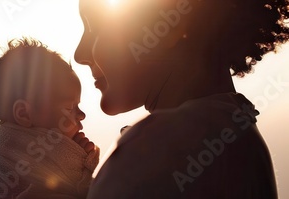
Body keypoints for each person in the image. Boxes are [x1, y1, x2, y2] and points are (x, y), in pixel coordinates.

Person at [74, 0, 288, 198]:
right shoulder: (242, 139)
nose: (79, 53)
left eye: (95, 27)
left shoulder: (153, 151)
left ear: (169, 26)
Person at [0, 38, 100, 199]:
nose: (82, 115)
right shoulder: (8, 171)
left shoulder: (36, 157)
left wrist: (78, 163)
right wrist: (80, 169)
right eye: (70, 108)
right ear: (24, 114)